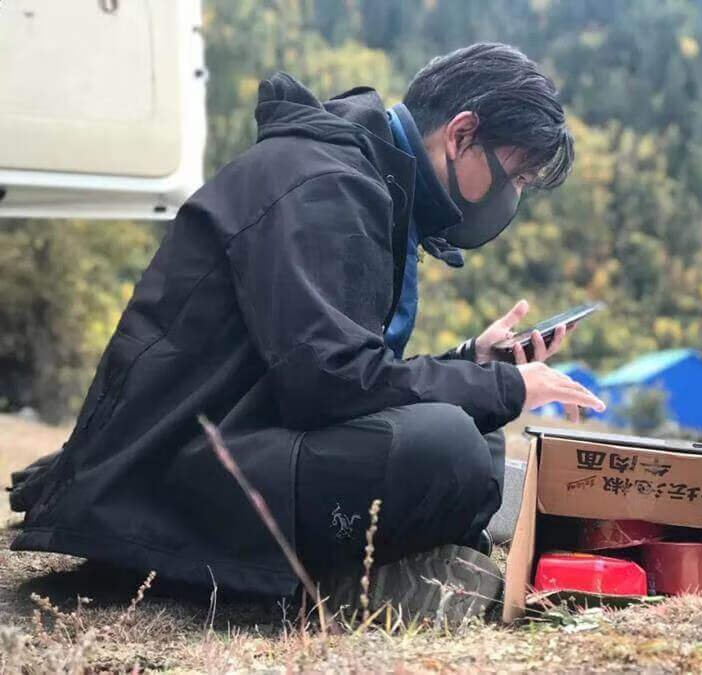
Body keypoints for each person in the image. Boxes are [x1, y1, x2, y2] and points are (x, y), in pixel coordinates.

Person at [8, 43, 604, 622]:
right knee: (447, 444)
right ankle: (333, 584)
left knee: (472, 428)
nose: (512, 197)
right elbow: (327, 384)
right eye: (517, 177)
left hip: (233, 443)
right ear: (462, 134)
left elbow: (333, 366)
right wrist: (502, 388)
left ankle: (374, 566)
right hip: (163, 479)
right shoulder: (324, 183)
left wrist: (473, 362)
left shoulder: (361, 179)